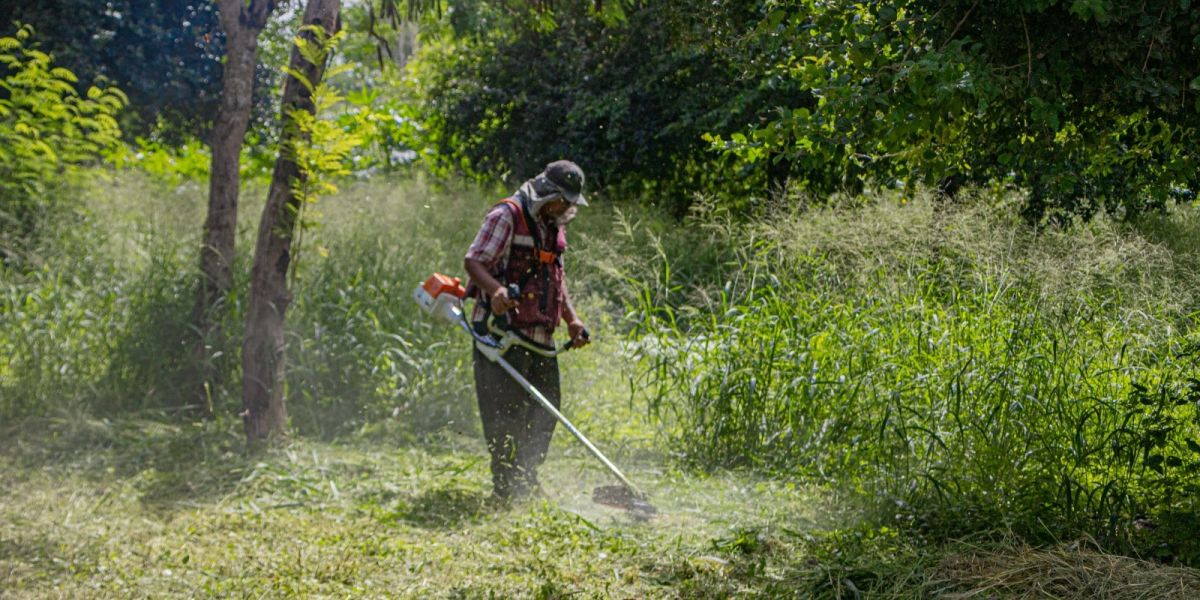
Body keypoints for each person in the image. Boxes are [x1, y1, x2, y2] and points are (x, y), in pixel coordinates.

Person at [463, 160, 591, 501]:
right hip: (502, 335)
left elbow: (555, 280)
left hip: (541, 338)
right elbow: (474, 261)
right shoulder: (506, 215)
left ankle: (527, 477)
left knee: (546, 409)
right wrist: (496, 291)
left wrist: (572, 320)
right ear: (548, 194)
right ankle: (506, 488)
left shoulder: (553, 226)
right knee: (506, 414)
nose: (568, 208)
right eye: (564, 201)